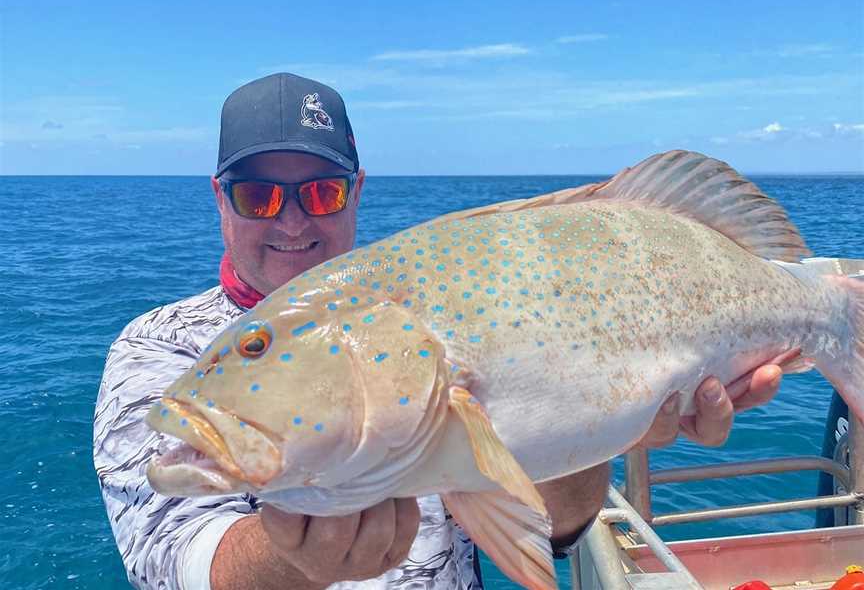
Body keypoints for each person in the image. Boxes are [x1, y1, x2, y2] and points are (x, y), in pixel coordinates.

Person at [93, 72, 785, 590]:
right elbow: (171, 559)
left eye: (323, 193)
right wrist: (294, 561)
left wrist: (610, 423)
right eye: (259, 195)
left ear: (356, 193)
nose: (293, 221)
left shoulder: (417, 312)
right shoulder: (158, 350)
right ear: (220, 199)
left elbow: (557, 528)